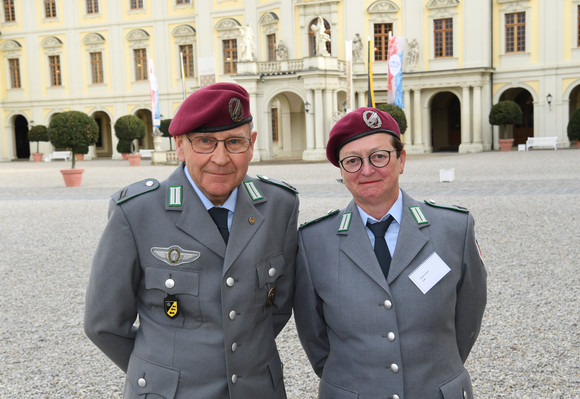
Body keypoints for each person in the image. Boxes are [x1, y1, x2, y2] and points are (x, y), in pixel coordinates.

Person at [84, 82, 299, 398]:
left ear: (251, 144)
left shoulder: (279, 205)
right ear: (180, 146)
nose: (221, 158)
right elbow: (103, 324)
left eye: (235, 142)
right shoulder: (137, 212)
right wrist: (160, 367)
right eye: (204, 142)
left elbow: (277, 308)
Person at [293, 107, 487, 399]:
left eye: (379, 156)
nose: (367, 170)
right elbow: (314, 337)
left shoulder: (453, 229)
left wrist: (435, 368)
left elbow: (468, 318)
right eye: (353, 161)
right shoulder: (313, 241)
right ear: (342, 171)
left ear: (402, 159)